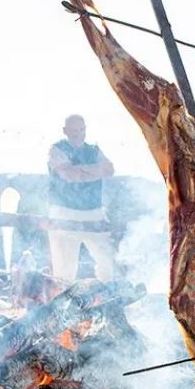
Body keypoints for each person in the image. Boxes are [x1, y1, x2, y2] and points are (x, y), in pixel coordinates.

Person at [46, 114, 115, 282]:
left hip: (93, 212)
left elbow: (109, 170)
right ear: (65, 131)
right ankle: (62, 305)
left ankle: (106, 299)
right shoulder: (57, 149)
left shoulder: (94, 150)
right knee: (64, 269)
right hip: (64, 213)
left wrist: (80, 170)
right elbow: (69, 175)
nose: (78, 133)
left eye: (81, 129)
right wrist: (94, 171)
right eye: (74, 130)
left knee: (106, 263)